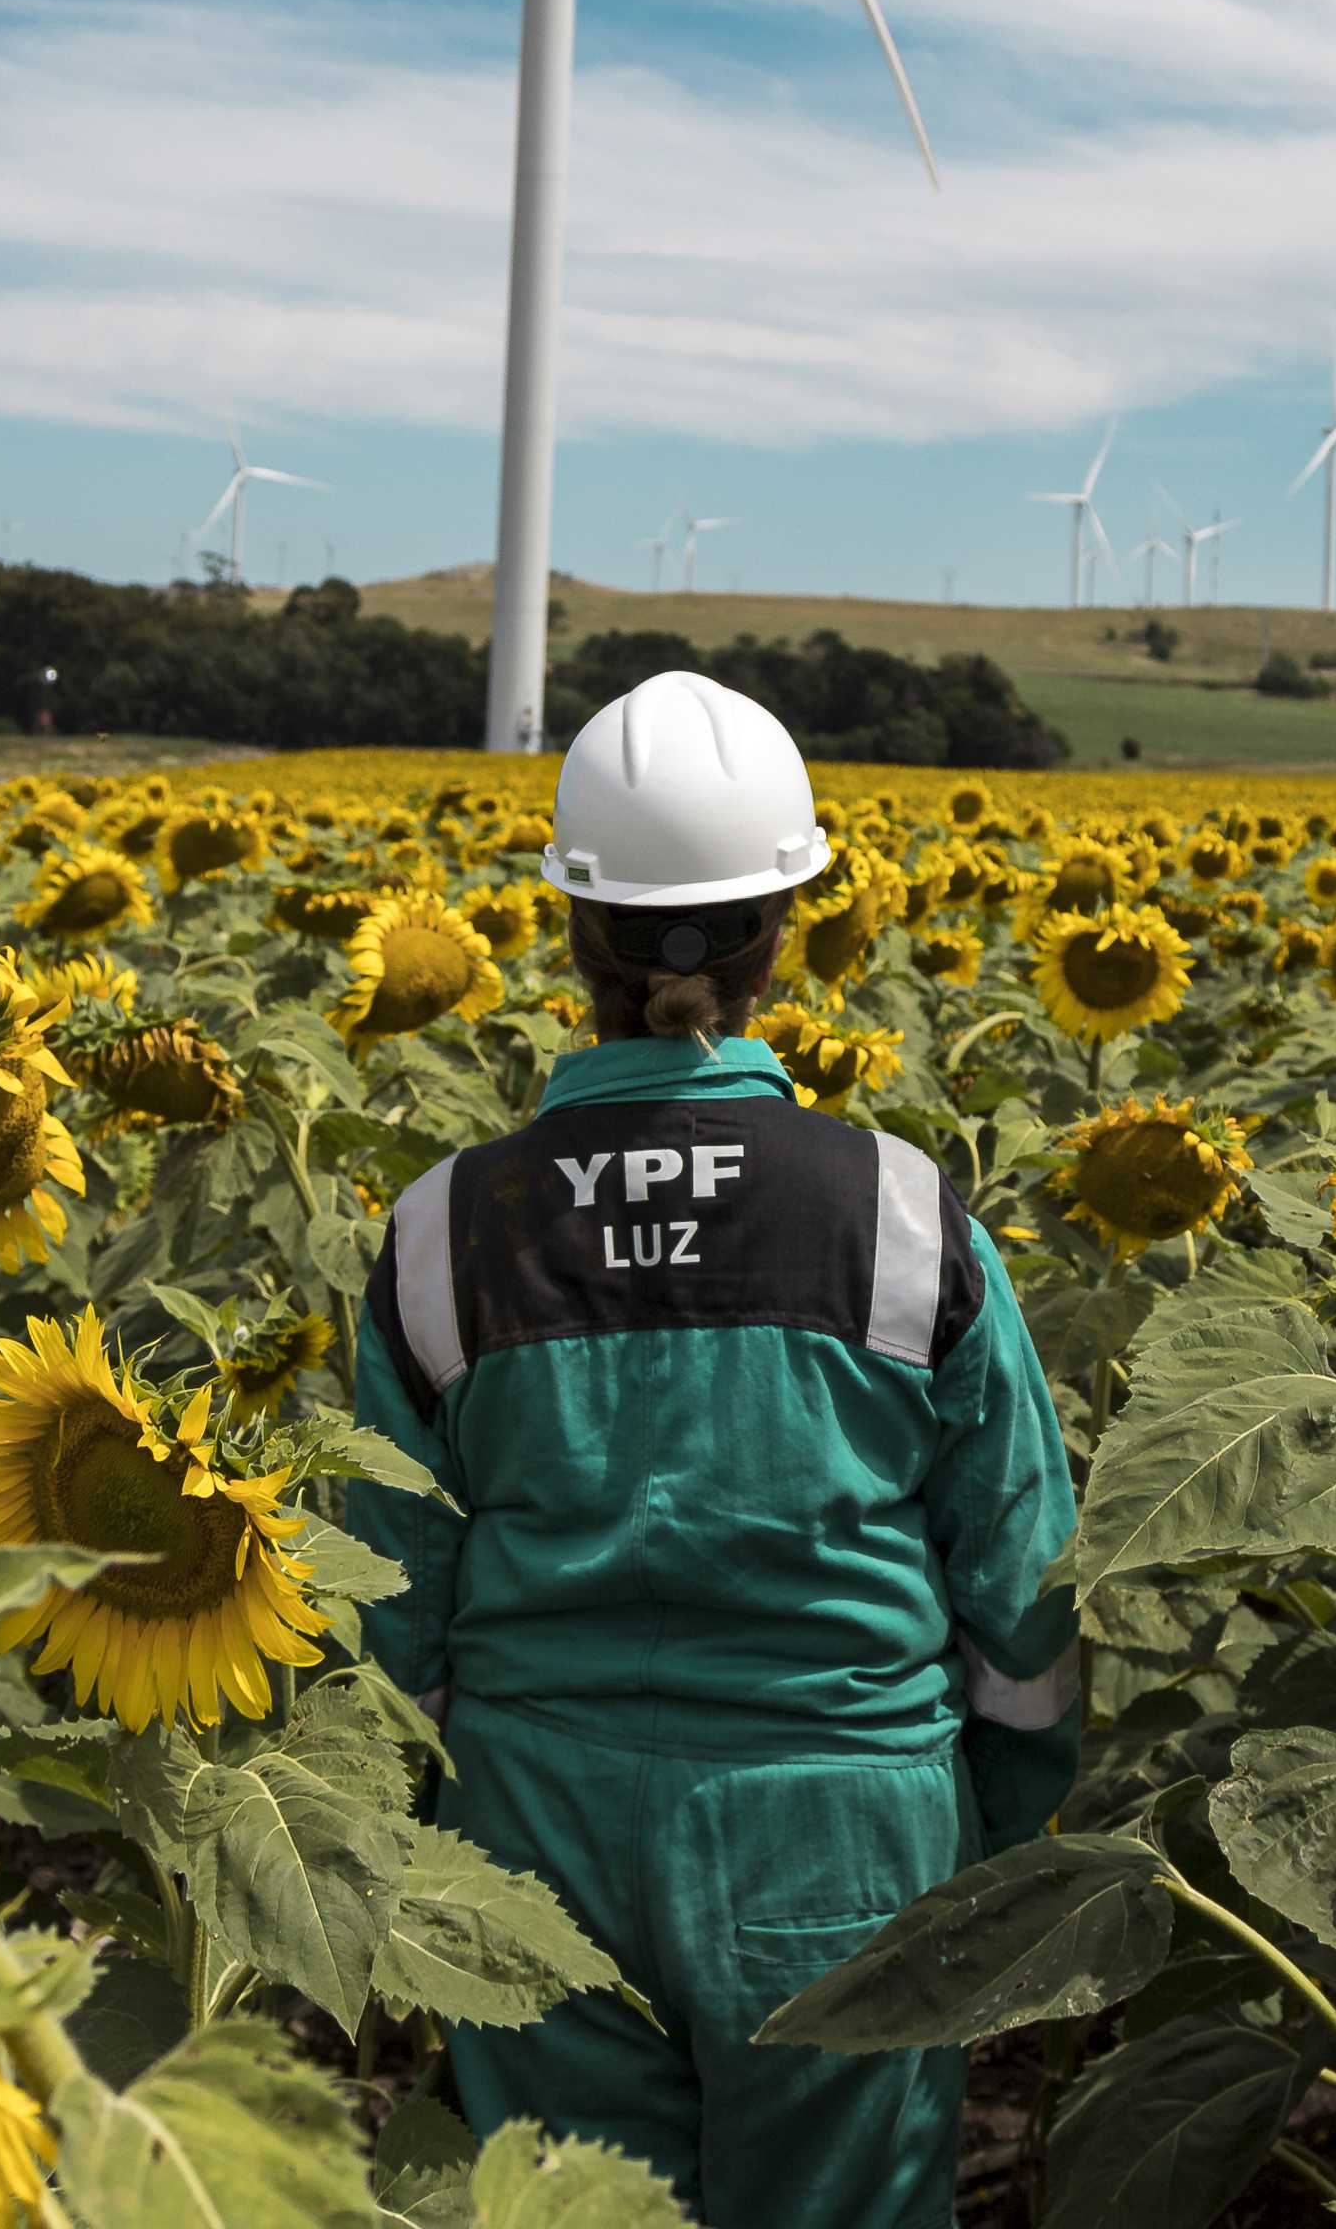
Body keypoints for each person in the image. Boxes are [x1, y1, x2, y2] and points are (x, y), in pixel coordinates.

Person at [345, 668, 1081, 2227]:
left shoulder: (443, 1232)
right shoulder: (897, 1211)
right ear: (782, 932)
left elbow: (379, 1598)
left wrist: (413, 1868)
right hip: (843, 1836)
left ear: (569, 937)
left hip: (531, 1829)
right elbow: (1023, 1583)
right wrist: (996, 1832)